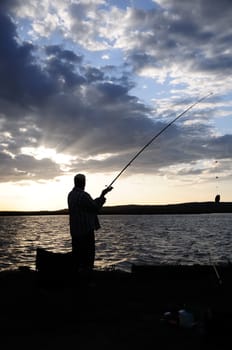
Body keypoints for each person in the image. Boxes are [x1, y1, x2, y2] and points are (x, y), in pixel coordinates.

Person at [68, 173, 112, 272]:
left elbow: (89, 205)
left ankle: (77, 279)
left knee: (77, 257)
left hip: (75, 232)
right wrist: (103, 195)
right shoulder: (84, 195)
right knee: (88, 258)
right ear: (83, 183)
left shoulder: (71, 195)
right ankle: (87, 280)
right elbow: (95, 208)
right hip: (86, 232)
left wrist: (101, 195)